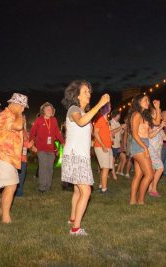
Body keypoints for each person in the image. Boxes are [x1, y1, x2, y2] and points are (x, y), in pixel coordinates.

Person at [61, 80, 110, 236]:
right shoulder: (74, 109)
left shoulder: (83, 112)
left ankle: (72, 218)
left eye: (89, 92)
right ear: (77, 95)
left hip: (81, 156)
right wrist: (100, 104)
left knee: (77, 191)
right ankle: (75, 229)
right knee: (86, 191)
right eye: (85, 92)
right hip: (75, 156)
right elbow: (81, 122)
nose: (89, 94)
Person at [0, 93, 28, 224]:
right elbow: (18, 126)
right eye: (22, 106)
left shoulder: (12, 116)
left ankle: (2, 211)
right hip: (2, 155)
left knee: (10, 184)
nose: (23, 109)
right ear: (15, 104)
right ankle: (5, 218)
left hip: (9, 156)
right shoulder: (4, 116)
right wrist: (19, 113)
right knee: (11, 185)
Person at [129, 93, 161, 204]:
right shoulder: (137, 115)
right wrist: (145, 148)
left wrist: (157, 108)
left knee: (138, 175)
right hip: (139, 145)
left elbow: (157, 122)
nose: (148, 102)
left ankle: (133, 200)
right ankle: (140, 200)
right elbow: (134, 134)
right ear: (138, 102)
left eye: (148, 100)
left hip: (142, 144)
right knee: (150, 174)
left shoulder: (145, 115)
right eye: (145, 100)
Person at [30, 102, 64, 193]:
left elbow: (57, 133)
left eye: (51, 109)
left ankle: (48, 187)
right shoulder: (39, 120)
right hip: (41, 149)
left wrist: (63, 142)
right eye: (48, 109)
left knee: (50, 168)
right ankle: (42, 187)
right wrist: (32, 145)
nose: (50, 110)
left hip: (51, 149)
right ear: (43, 110)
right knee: (43, 167)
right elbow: (32, 133)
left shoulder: (54, 120)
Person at [148, 120, 166, 197]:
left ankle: (150, 189)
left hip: (157, 152)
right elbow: (150, 135)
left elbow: (165, 139)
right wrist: (160, 127)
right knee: (160, 168)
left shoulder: (161, 129)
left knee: (153, 172)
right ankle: (153, 189)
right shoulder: (150, 126)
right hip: (151, 151)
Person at [93, 103, 114, 193]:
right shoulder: (100, 118)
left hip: (108, 146)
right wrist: (103, 145)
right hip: (101, 146)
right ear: (105, 108)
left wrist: (110, 136)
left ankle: (101, 185)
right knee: (105, 167)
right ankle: (104, 189)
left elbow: (104, 133)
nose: (110, 107)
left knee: (105, 167)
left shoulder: (106, 119)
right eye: (109, 106)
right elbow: (95, 133)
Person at [15, 115, 33, 197]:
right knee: (19, 175)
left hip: (23, 156)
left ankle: (19, 192)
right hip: (18, 157)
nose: (24, 119)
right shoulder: (18, 130)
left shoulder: (24, 130)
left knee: (21, 175)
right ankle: (18, 193)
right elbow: (20, 143)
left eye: (24, 118)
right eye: (21, 118)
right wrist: (30, 143)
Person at [110, 110, 123, 177]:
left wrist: (124, 128)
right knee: (112, 159)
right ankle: (113, 173)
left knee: (112, 159)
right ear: (116, 115)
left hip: (117, 144)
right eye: (119, 115)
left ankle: (106, 171)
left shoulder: (118, 123)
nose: (119, 116)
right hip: (112, 143)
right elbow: (112, 132)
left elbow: (120, 133)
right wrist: (121, 127)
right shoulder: (111, 123)